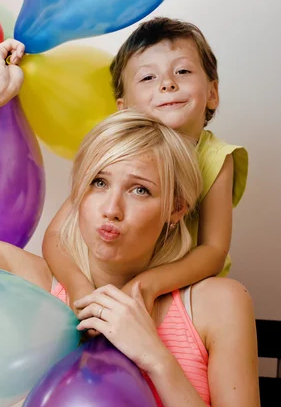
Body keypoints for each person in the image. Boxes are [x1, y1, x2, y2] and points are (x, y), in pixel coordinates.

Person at [0, 40, 262, 407]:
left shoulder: (218, 304)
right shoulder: (35, 287)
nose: (111, 208)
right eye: (98, 183)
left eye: (140, 189)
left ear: (176, 209)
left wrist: (158, 361)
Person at [43, 17, 249, 311]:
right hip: (101, 286)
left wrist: (145, 287)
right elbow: (55, 236)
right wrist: (79, 288)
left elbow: (213, 250)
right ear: (123, 107)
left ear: (212, 93)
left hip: (175, 293)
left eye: (182, 71)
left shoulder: (217, 158)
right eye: (148, 78)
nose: (168, 83)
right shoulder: (114, 153)